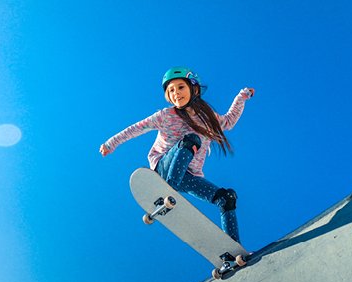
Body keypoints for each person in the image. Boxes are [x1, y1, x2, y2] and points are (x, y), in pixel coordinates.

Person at [99, 66, 255, 244]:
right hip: (164, 168)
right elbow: (136, 129)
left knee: (226, 198)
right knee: (191, 139)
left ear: (194, 88)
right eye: (171, 90)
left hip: (187, 176)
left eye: (180, 87)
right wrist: (110, 144)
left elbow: (228, 121)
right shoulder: (165, 115)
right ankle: (167, 189)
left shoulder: (207, 117)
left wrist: (242, 97)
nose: (176, 93)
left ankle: (234, 252)